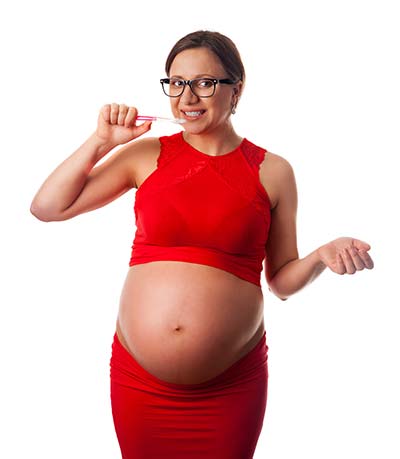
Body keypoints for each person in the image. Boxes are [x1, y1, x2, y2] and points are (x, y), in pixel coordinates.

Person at [30, 30, 374, 459]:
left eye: (204, 83)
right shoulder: (146, 155)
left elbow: (282, 283)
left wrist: (322, 256)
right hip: (140, 383)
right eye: (176, 83)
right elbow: (47, 207)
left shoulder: (274, 171)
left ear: (236, 89)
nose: (187, 97)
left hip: (231, 387)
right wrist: (101, 142)